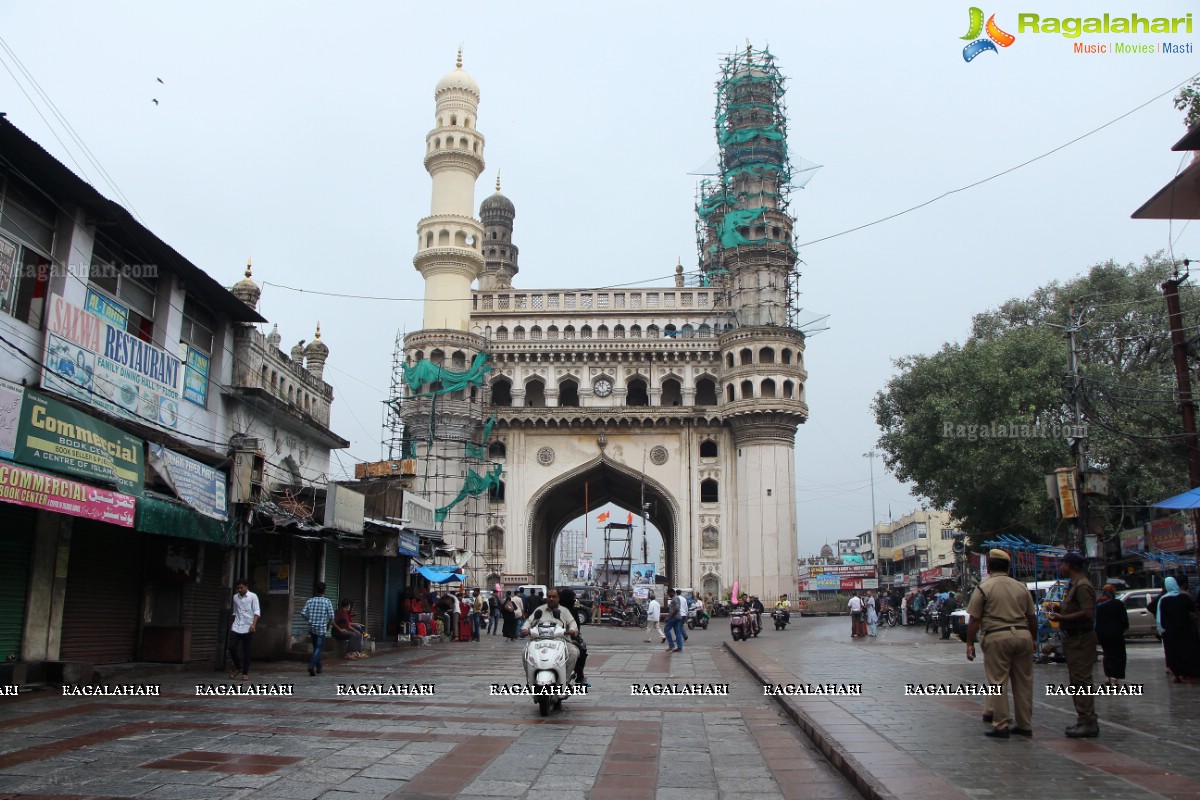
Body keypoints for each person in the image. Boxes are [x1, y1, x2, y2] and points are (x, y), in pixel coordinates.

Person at [965, 549, 1036, 738]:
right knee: (1023, 683)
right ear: (1008, 567)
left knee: (997, 682)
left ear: (989, 567)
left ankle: (1001, 724)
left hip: (997, 637)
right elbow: (1032, 617)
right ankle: (1025, 725)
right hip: (1023, 636)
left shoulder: (984, 588)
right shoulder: (1021, 587)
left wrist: (970, 644)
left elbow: (974, 619)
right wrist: (1035, 639)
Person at [1049, 553, 1099, 738]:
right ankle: (1083, 720)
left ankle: (1088, 722)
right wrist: (1059, 610)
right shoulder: (1074, 585)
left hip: (1081, 639)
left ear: (1069, 565)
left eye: (1062, 563)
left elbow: (1088, 613)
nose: (1060, 567)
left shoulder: (1083, 585)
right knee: (1076, 681)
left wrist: (1063, 618)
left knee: (1081, 681)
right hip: (1073, 639)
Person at [526, 588, 584, 684]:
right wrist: (525, 628)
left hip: (561, 640)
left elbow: (573, 624)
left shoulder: (565, 611)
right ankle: (530, 679)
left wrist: (572, 632)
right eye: (549, 597)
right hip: (539, 640)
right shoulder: (540, 610)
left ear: (558, 598)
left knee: (574, 652)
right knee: (525, 651)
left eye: (554, 597)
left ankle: (565, 679)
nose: (551, 599)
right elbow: (530, 621)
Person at [1157, 576, 1200, 682]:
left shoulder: (1164, 600)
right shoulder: (1184, 597)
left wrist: (1162, 629)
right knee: (1187, 652)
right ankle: (1189, 674)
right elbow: (1192, 608)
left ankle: (1177, 674)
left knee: (1174, 653)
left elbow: (1161, 617)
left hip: (1171, 632)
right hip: (1186, 630)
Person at [1094, 584, 1129, 687]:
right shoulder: (1118, 603)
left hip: (1102, 634)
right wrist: (1123, 629)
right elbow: (1124, 620)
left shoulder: (1098, 603)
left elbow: (1096, 619)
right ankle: (1115, 679)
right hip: (1116, 633)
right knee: (1117, 655)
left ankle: (1107, 677)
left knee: (1107, 654)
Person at [555, 586, 590, 686]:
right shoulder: (554, 609)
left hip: (569, 638)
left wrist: (574, 638)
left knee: (581, 651)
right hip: (552, 637)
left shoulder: (573, 610)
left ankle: (579, 675)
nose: (574, 600)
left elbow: (576, 628)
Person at [227, 579, 260, 681]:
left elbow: (257, 611)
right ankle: (238, 667)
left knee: (246, 651)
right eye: (238, 588)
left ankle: (245, 673)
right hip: (236, 626)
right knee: (231, 647)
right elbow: (235, 611)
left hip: (248, 627)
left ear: (246, 587)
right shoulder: (235, 597)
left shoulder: (252, 596)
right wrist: (232, 623)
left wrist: (253, 624)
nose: (240, 589)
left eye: (241, 587)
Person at [301, 581, 335, 677]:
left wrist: (310, 619)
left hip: (312, 628)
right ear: (324, 591)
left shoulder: (310, 601)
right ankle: (311, 665)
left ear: (316, 590)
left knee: (316, 647)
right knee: (319, 648)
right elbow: (332, 616)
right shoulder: (327, 601)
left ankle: (319, 667)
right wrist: (328, 624)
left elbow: (303, 613)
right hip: (321, 628)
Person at [664, 589, 684, 653]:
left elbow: (677, 608)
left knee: (666, 629)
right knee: (677, 632)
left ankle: (671, 645)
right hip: (677, 617)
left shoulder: (675, 598)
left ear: (672, 592)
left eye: (669, 593)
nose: (669, 595)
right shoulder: (675, 598)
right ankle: (679, 647)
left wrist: (670, 616)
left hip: (674, 617)